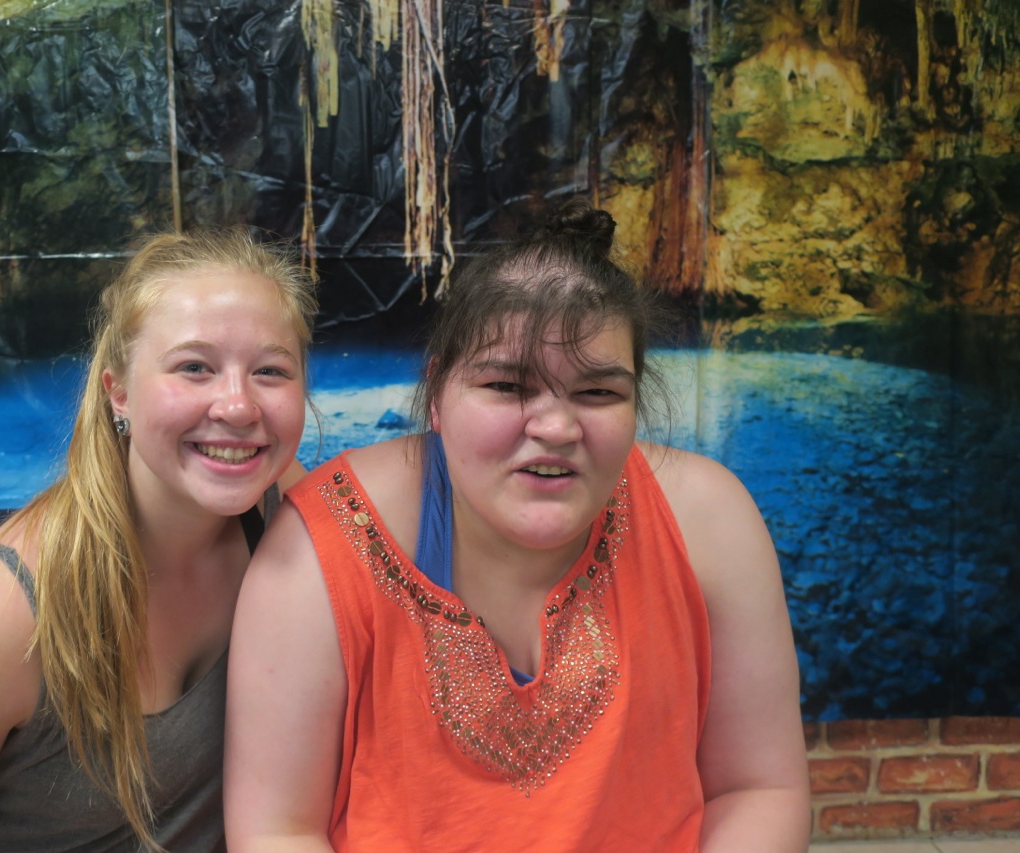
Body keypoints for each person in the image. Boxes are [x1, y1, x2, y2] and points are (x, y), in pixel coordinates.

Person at [224, 199, 811, 852]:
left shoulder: (708, 522)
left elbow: (758, 788)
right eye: (507, 386)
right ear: (438, 393)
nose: (556, 428)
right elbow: (276, 829)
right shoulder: (325, 541)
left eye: (598, 393)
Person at [0, 228, 318, 853]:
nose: (239, 407)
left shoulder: (278, 505)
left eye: (271, 371)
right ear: (119, 393)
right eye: (195, 367)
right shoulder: (4, 612)